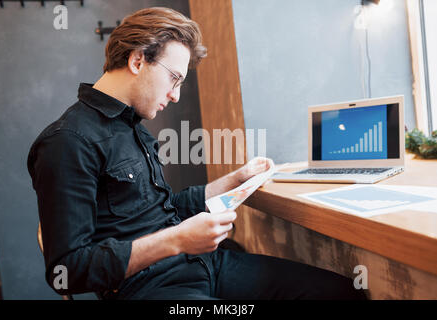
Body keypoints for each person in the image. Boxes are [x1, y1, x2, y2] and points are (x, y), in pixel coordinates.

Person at [27, 7, 366, 300]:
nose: (175, 95)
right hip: (151, 288)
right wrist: (176, 240)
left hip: (202, 264)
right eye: (173, 79)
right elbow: (67, 270)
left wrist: (237, 180)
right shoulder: (67, 142)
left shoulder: (132, 126)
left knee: (340, 293)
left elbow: (165, 209)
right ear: (137, 60)